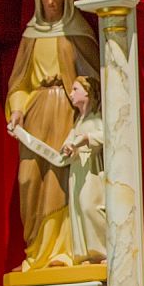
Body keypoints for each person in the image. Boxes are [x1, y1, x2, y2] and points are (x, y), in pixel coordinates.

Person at [5, 0, 100, 271]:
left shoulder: (77, 32)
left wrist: (84, 98)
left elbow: (96, 76)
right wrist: (18, 109)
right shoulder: (30, 37)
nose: (50, 2)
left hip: (66, 111)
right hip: (36, 113)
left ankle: (64, 252)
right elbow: (20, 83)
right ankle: (35, 253)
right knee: (29, 178)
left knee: (62, 180)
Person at [59, 75, 106, 264]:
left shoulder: (97, 117)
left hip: (92, 170)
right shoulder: (78, 120)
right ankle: (85, 253)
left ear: (87, 92)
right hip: (77, 170)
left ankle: (103, 250)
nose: (71, 94)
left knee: (90, 206)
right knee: (77, 208)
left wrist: (86, 138)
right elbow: (69, 141)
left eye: (75, 89)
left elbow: (105, 135)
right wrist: (67, 147)